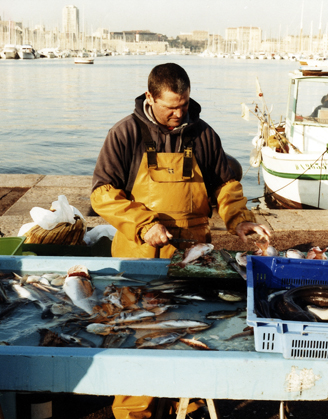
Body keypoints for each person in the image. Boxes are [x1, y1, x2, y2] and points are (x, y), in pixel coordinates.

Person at [90, 63, 270, 419]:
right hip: (140, 257)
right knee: (139, 340)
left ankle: (185, 407)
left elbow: (226, 187)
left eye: (184, 105)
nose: (178, 113)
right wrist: (144, 224)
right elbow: (102, 194)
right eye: (170, 106)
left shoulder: (202, 134)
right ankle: (134, 413)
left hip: (194, 257)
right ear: (149, 97)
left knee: (193, 332)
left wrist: (240, 220)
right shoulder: (125, 133)